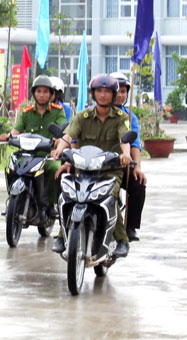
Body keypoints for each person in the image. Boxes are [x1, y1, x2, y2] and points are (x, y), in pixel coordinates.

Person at [50, 73, 132, 257]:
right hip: (83, 168)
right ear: (93, 94)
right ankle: (62, 236)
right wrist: (60, 150)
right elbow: (68, 135)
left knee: (111, 198)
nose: (103, 95)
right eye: (99, 91)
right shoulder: (82, 116)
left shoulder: (121, 117)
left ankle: (122, 240)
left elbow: (124, 138)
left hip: (110, 169)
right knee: (68, 195)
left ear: (113, 94)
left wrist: (125, 155)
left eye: (107, 91)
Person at [1, 74, 66, 216]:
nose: (42, 95)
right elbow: (17, 129)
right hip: (28, 155)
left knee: (55, 169)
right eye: (39, 91)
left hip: (48, 156)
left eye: (45, 92)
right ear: (34, 93)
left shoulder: (57, 111)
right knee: (10, 167)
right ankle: (11, 198)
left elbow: (62, 130)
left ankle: (50, 204)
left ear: (51, 94)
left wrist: (57, 140)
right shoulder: (27, 112)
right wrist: (9, 136)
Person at [110, 72, 148, 242]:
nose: (120, 95)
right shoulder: (90, 113)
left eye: (124, 91)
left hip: (121, 163)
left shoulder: (129, 116)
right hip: (96, 163)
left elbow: (134, 145)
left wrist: (137, 166)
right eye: (117, 90)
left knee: (138, 183)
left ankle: (130, 226)